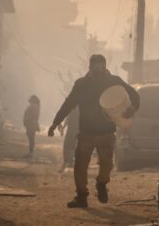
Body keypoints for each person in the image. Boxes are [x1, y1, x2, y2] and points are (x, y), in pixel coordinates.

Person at [48, 54, 140, 209]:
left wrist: (132, 108)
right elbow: (69, 103)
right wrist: (55, 122)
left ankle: (102, 183)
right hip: (86, 133)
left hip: (106, 133)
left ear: (105, 67)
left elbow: (134, 94)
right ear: (89, 67)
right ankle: (81, 196)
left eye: (101, 67)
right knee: (80, 166)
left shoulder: (114, 81)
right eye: (95, 67)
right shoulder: (81, 84)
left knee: (107, 165)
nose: (98, 70)